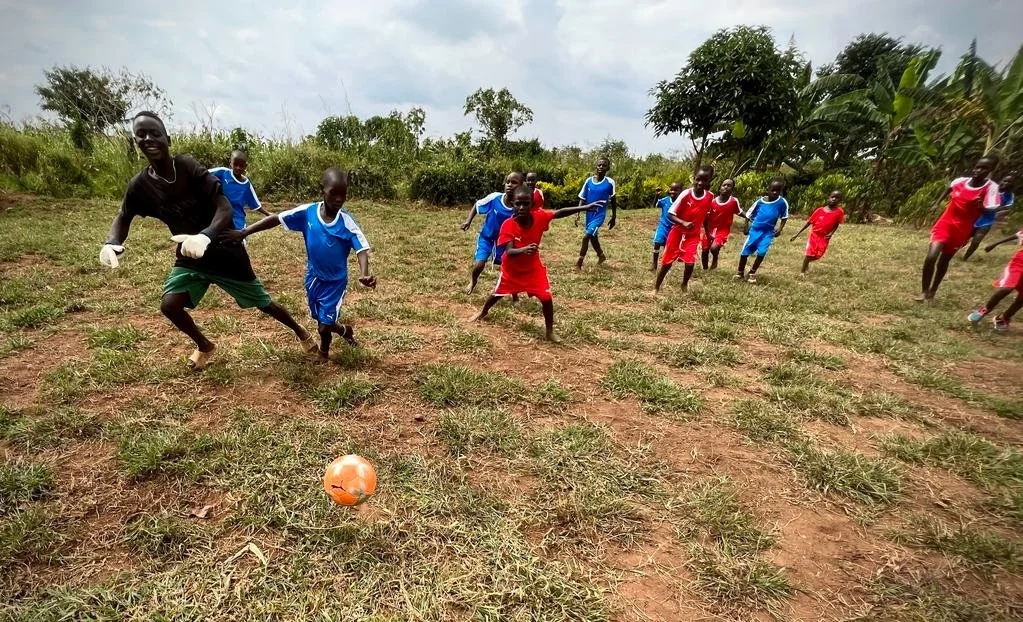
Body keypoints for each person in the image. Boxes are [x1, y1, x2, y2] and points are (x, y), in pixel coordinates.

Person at [99, 111, 315, 369]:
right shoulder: (140, 185)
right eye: (141, 134)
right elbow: (124, 215)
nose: (148, 138)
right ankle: (205, 345)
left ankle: (300, 331)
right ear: (136, 142)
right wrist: (112, 241)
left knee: (263, 302)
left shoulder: (189, 167)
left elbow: (224, 208)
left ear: (167, 137)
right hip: (190, 257)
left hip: (226, 251)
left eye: (154, 133)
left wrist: (205, 236)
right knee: (169, 305)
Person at [224, 168, 377, 359]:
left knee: (323, 327)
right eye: (333, 194)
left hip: (335, 283)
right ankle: (345, 331)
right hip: (313, 279)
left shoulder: (346, 222)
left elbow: (361, 248)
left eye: (343, 195)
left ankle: (324, 352)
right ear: (322, 189)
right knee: (320, 320)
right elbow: (277, 219)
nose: (338, 199)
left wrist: (364, 273)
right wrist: (245, 232)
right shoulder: (308, 212)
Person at [471, 186, 605, 342]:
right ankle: (483, 312)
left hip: (533, 270)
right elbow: (509, 252)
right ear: (512, 204)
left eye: (526, 203)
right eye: (517, 204)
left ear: (531, 204)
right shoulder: (508, 224)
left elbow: (559, 212)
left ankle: (549, 332)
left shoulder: (540, 217)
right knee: (496, 294)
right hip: (512, 271)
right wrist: (524, 249)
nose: (521, 207)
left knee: (546, 298)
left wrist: (585, 207)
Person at [918, 155, 1002, 301]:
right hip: (945, 223)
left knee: (944, 261)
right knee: (931, 257)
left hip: (962, 229)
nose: (978, 170)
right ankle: (924, 291)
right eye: (977, 167)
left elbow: (991, 211)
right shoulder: (960, 181)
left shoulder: (991, 188)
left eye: (984, 168)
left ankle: (933, 290)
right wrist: (936, 203)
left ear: (991, 170)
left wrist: (980, 206)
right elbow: (948, 188)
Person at [654, 165, 715, 293]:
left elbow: (705, 217)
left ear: (710, 180)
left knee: (690, 263)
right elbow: (670, 213)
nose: (700, 183)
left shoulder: (710, 197)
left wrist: (708, 234)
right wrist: (683, 222)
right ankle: (656, 287)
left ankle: (684, 284)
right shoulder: (686, 194)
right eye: (698, 179)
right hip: (677, 233)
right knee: (667, 262)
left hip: (693, 236)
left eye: (704, 180)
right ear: (694, 178)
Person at [460, 172, 524, 294]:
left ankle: (512, 293)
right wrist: (468, 221)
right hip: (486, 238)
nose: (510, 185)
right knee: (479, 265)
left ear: (521, 186)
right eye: (508, 182)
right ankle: (473, 281)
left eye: (514, 182)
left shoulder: (520, 207)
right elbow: (477, 204)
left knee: (509, 269)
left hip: (504, 243)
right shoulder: (495, 198)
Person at [967, 229, 1023, 332]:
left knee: (1021, 298)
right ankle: (984, 310)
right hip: (1019, 263)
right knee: (1006, 288)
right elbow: (1017, 235)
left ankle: (1004, 318)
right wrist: (995, 243)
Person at [735, 178, 789, 283]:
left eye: (778, 190)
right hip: (755, 231)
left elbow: (784, 216)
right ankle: (740, 272)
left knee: (762, 252)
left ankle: (752, 272)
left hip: (768, 232)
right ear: (768, 190)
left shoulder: (782, 202)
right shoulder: (760, 202)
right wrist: (746, 227)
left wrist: (779, 229)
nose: (775, 192)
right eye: (773, 190)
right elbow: (748, 214)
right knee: (744, 252)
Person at [208, 150, 272, 231]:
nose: (238, 168)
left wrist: (268, 214)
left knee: (239, 238)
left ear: (246, 166)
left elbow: (255, 203)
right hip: (218, 214)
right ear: (230, 163)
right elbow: (202, 174)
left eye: (241, 166)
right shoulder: (222, 172)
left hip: (237, 217)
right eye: (235, 164)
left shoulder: (246, 184)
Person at [962, 171, 1016, 261]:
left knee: (976, 241)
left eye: (1009, 182)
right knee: (963, 236)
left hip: (987, 220)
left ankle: (965, 258)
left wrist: (992, 208)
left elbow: (1006, 207)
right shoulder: (991, 188)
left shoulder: (1010, 195)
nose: (1006, 183)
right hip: (975, 216)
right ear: (1001, 180)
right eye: (1005, 181)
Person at [575, 156, 617, 270]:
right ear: (596, 166)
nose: (601, 167)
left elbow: (613, 200)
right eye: (599, 165)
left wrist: (613, 217)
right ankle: (601, 255)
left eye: (604, 165)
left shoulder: (610, 182)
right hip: (589, 215)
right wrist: (578, 213)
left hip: (599, 215)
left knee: (586, 237)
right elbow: (582, 197)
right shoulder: (588, 181)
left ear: (607, 168)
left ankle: (579, 262)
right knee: (593, 237)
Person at [790, 190, 845, 276]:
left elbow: (836, 224)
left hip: (824, 237)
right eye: (832, 197)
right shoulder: (819, 210)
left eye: (837, 198)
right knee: (809, 254)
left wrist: (831, 233)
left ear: (840, 200)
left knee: (818, 255)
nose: (834, 199)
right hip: (814, 235)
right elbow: (809, 222)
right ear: (829, 197)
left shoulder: (839, 212)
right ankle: (802, 272)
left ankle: (807, 261)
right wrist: (797, 234)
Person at [701, 178, 743, 270]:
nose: (726, 187)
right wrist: (707, 233)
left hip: (722, 230)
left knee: (714, 248)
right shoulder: (712, 202)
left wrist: (749, 218)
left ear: (732, 189)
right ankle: (705, 269)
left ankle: (715, 259)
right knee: (704, 250)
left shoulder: (733, 201)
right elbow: (705, 218)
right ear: (720, 188)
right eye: (724, 185)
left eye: (729, 185)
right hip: (710, 229)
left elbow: (739, 212)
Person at [651, 182, 684, 271]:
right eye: (671, 189)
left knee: (668, 247)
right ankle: (654, 264)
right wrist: (656, 196)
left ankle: (664, 264)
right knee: (657, 243)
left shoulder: (682, 203)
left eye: (675, 190)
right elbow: (655, 205)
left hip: (674, 229)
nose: (672, 192)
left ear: (681, 191)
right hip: (663, 226)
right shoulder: (665, 200)